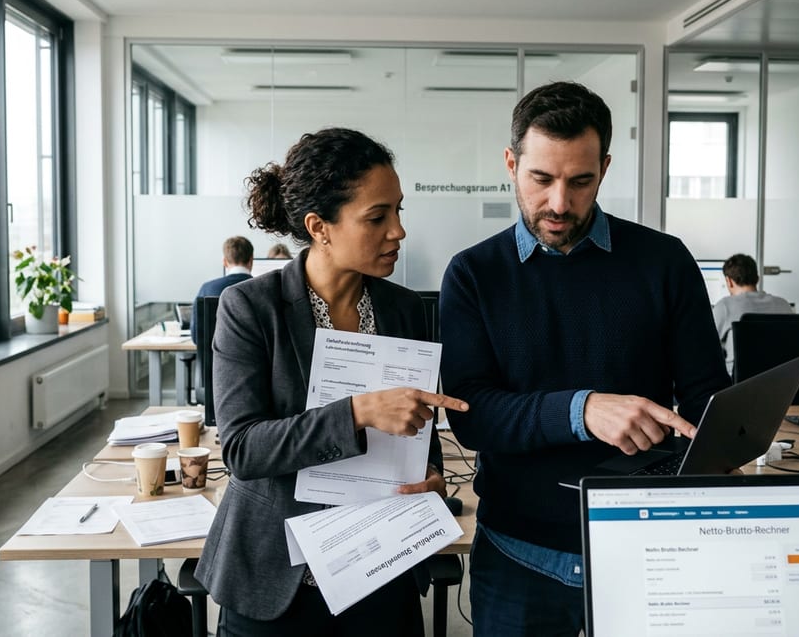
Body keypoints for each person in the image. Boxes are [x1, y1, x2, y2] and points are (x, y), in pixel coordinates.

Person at [439, 82, 730, 636]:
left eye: (581, 181)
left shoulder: (664, 261)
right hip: (520, 552)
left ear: (606, 168)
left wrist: (721, 448)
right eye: (541, 179)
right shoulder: (474, 274)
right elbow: (471, 414)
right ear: (511, 163)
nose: (559, 203)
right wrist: (583, 409)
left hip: (647, 542)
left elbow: (703, 397)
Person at [195, 127, 469, 636]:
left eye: (398, 211)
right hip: (279, 581)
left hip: (381, 570)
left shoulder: (406, 310)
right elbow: (242, 449)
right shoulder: (251, 308)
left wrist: (430, 476)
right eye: (377, 217)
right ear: (319, 226)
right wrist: (358, 412)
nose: (398, 232)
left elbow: (417, 430)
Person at [712, 252, 794, 375]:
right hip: (783, 379)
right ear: (757, 278)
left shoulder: (725, 306)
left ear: (729, 281)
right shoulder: (784, 304)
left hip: (737, 384)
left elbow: (705, 347)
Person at [191, 235, 255, 346]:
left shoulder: (207, 289)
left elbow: (197, 337)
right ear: (251, 260)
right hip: (254, 361)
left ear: (225, 262)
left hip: (214, 362)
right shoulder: (263, 290)